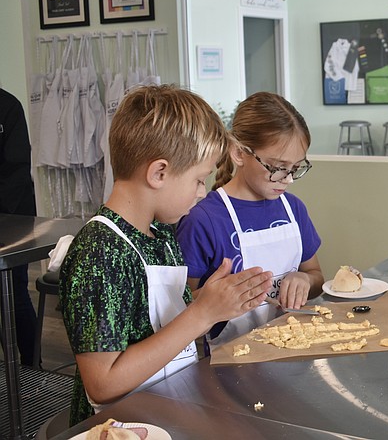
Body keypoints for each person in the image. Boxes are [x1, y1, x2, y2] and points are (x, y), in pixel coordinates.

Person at [60, 85, 273, 426]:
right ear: (159, 173)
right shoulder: (100, 252)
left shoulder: (160, 234)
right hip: (119, 426)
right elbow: (102, 384)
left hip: (167, 408)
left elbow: (152, 322)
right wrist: (201, 314)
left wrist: (209, 300)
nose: (202, 193)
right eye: (199, 180)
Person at [176, 92, 323, 351]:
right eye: (277, 167)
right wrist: (222, 299)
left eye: (296, 168)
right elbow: (179, 309)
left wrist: (304, 280)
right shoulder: (204, 220)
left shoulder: (293, 209)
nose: (288, 179)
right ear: (239, 153)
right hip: (227, 360)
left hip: (291, 350)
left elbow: (317, 277)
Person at [0, 88, 38, 367]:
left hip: (14, 218)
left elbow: (17, 169)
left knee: (14, 293)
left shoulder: (8, 107)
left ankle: (32, 365)